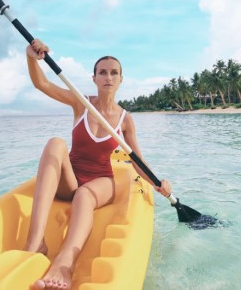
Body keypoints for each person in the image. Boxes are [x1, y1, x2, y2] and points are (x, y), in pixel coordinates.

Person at [24, 39, 172, 290]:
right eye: (102, 72)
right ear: (94, 78)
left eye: (114, 73)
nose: (108, 77)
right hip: (72, 178)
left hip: (101, 183)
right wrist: (31, 57)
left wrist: (158, 183)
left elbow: (136, 161)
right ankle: (35, 242)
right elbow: (42, 84)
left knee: (85, 194)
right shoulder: (81, 103)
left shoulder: (125, 119)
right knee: (54, 143)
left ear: (121, 79)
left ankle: (64, 265)